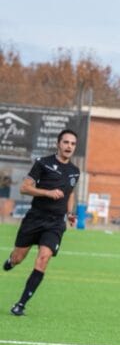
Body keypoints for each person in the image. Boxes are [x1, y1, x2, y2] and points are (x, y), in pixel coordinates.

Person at [3, 129, 80, 316]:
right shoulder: (43, 163)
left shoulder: (74, 171)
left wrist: (70, 213)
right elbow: (24, 188)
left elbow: (70, 193)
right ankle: (11, 261)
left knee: (43, 258)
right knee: (18, 258)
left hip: (55, 224)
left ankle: (21, 304)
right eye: (66, 142)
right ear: (58, 144)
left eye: (72, 144)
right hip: (35, 218)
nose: (69, 146)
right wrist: (47, 192)